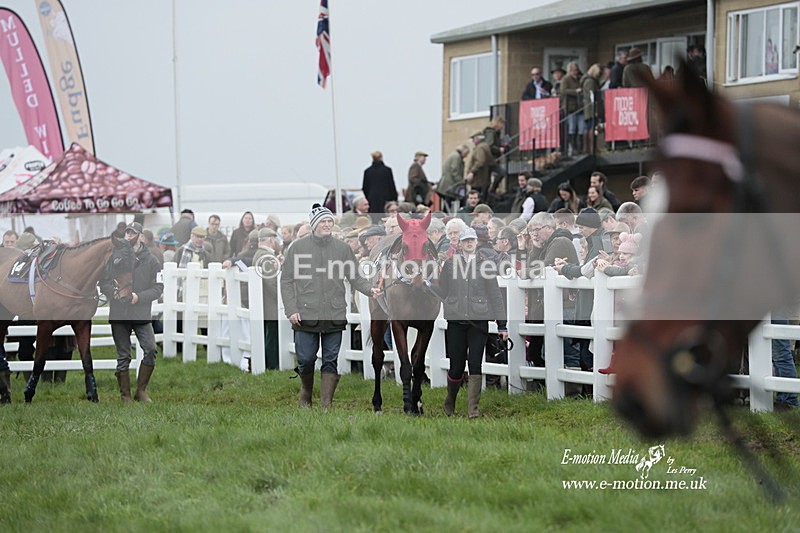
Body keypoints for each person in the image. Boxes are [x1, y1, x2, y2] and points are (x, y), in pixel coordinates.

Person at [280, 204, 379, 408]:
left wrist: (370, 289)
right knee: (306, 359)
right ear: (314, 224)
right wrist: (291, 309)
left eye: (329, 221)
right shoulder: (297, 248)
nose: (327, 225)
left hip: (333, 313)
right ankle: (306, 392)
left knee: (330, 360)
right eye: (323, 221)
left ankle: (327, 405)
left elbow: (355, 277)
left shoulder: (342, 249)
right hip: (305, 313)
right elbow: (286, 280)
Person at [432, 227, 507, 418]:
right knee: (456, 366)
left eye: (472, 240)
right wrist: (428, 285)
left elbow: (495, 295)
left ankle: (472, 409)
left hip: (478, 322)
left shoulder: (486, 264)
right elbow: (444, 291)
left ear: (476, 242)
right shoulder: (450, 265)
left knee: (475, 364)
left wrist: (502, 324)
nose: (469, 243)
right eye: (466, 240)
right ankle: (451, 400)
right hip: (456, 321)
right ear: (459, 243)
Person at [100, 222, 163, 403]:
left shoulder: (152, 261)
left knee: (150, 349)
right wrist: (112, 293)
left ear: (141, 236)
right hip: (120, 313)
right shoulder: (115, 258)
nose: (129, 235)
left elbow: (158, 287)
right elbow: (103, 282)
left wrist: (138, 297)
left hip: (141, 314)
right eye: (127, 232)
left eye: (133, 232)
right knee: (123, 355)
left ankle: (141, 391)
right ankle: (125, 395)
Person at [362, 151, 397, 221]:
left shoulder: (367, 171)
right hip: (386, 199)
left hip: (372, 199)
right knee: (386, 219)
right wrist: (394, 198)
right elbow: (391, 186)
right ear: (381, 158)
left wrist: (368, 197)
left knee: (374, 220)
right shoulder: (387, 170)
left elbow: (365, 187)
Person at [560, 62, 584, 155]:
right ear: (570, 71)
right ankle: (573, 147)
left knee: (581, 128)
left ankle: (580, 148)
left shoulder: (579, 79)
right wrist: (575, 91)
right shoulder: (566, 79)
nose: (576, 72)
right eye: (574, 70)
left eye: (577, 70)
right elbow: (563, 90)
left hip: (580, 106)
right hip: (570, 107)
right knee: (572, 128)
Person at [438, 144, 470, 208]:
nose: (466, 156)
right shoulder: (456, 157)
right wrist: (462, 182)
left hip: (447, 185)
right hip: (450, 185)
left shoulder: (454, 155)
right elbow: (455, 171)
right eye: (466, 153)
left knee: (447, 205)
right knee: (450, 204)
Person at [580, 63, 602, 154]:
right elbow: (592, 95)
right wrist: (595, 108)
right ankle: (590, 148)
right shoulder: (590, 81)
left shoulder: (587, 80)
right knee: (591, 127)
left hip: (588, 107)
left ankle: (588, 148)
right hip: (591, 108)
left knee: (589, 127)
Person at [465, 131, 493, 201]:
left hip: (478, 181)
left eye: (473, 139)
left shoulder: (480, 148)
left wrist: (472, 172)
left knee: (475, 199)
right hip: (482, 180)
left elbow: (480, 161)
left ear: (478, 138)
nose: (473, 141)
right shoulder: (484, 146)